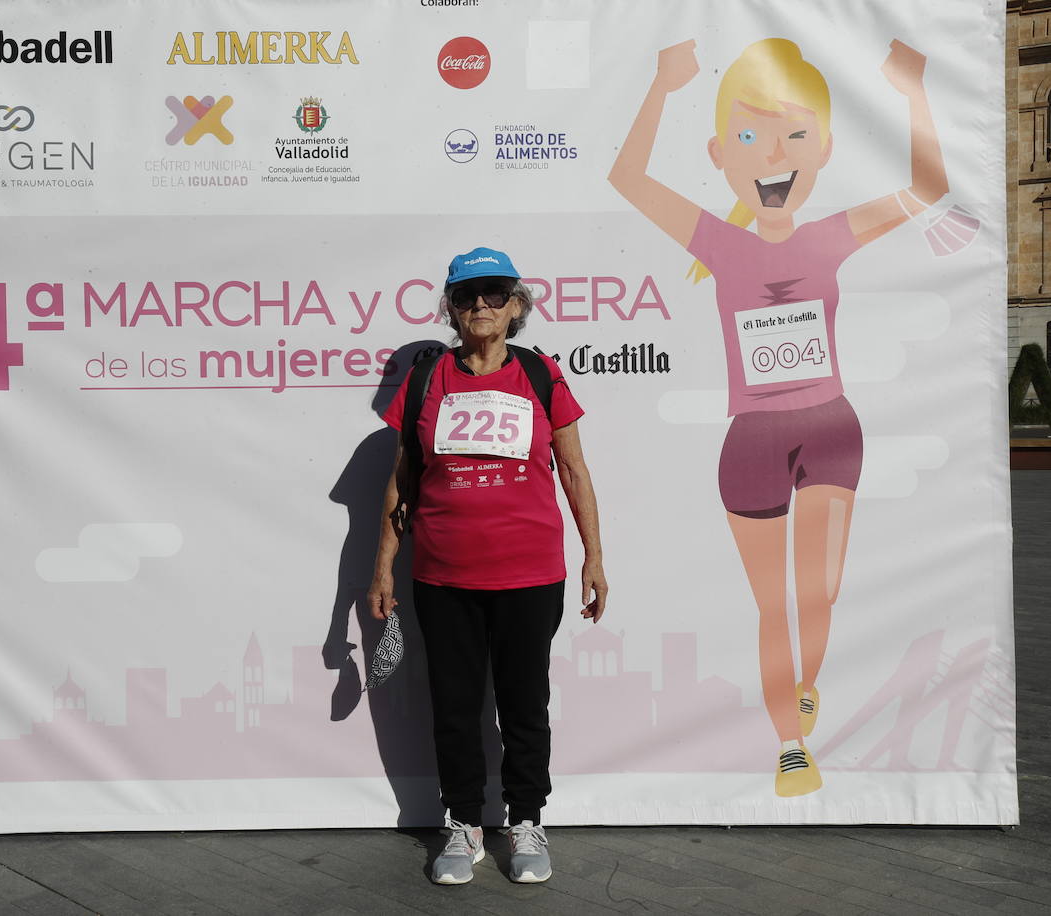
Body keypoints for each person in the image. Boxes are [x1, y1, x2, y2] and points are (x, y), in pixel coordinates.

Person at [609, 37, 949, 796]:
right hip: (753, 441)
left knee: (819, 590)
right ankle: (791, 744)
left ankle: (806, 681)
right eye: (749, 137)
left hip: (830, 428)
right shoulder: (719, 245)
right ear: (720, 153)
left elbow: (926, 186)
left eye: (795, 136)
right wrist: (662, 86)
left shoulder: (832, 237)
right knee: (773, 606)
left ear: (823, 150)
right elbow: (627, 177)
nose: (773, 155)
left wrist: (912, 90)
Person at [367, 246, 607, 885]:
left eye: (495, 294)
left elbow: (575, 472)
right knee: (453, 705)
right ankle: (464, 825)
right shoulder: (425, 379)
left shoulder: (541, 375)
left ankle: (527, 820)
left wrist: (595, 558)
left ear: (517, 306)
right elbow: (400, 483)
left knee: (525, 703)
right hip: (443, 576)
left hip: (531, 575)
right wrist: (382, 568)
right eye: (467, 295)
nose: (480, 305)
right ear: (450, 305)